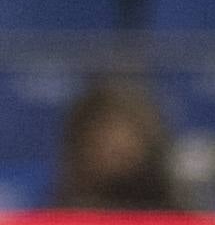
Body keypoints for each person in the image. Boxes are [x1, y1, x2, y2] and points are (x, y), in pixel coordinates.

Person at [52, 77, 183, 211]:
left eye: (127, 133)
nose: (114, 145)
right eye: (103, 133)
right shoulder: (61, 220)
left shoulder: (176, 221)